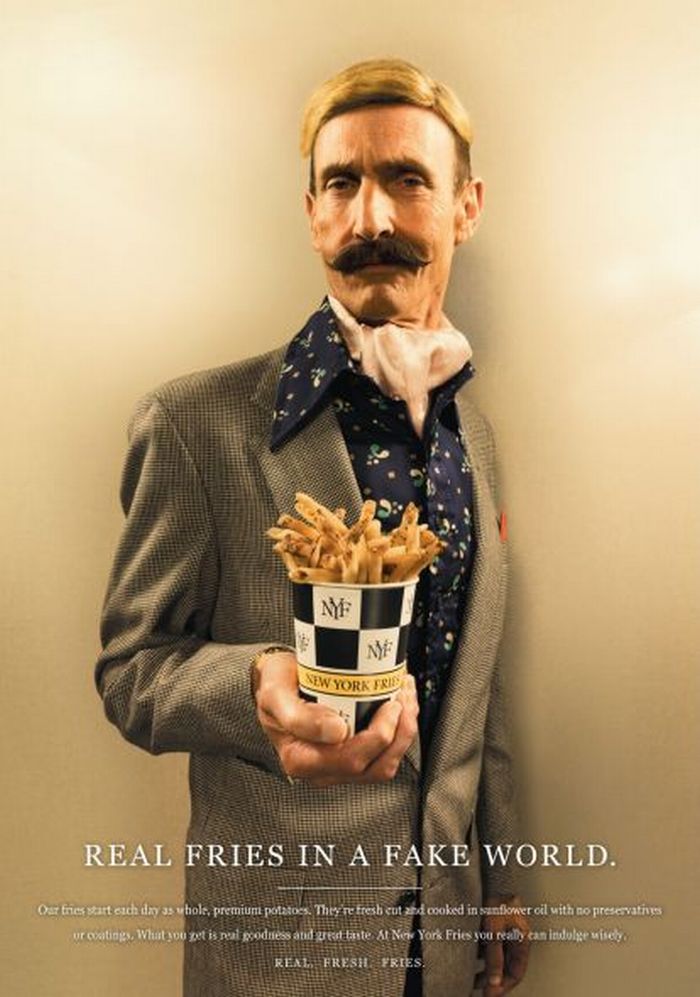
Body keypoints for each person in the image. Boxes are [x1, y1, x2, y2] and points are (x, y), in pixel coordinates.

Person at [96, 57, 530, 997]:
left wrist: (499, 875)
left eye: (407, 179)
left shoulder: (478, 438)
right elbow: (131, 670)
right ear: (312, 212)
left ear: (466, 208)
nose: (371, 218)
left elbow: (474, 682)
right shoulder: (192, 423)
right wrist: (254, 684)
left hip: (444, 945)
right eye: (342, 182)